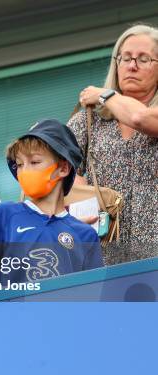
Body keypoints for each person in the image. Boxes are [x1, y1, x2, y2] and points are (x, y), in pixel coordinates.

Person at [0, 120, 103, 286]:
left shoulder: (86, 235)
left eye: (34, 162)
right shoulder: (6, 214)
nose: (24, 171)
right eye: (19, 164)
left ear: (63, 168)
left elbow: (92, 297)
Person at [70, 24, 158, 263]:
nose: (132, 66)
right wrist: (81, 204)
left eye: (143, 59)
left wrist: (106, 95)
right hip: (102, 256)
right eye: (125, 58)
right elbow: (64, 174)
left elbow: (140, 118)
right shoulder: (89, 121)